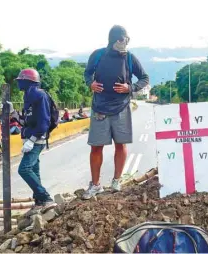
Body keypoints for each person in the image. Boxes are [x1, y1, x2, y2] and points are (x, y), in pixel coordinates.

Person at [82, 25, 149, 199]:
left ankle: (116, 181)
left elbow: (144, 78)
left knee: (121, 144)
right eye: (121, 39)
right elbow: (87, 73)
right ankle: (95, 185)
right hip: (100, 108)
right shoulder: (98, 55)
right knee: (96, 147)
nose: (124, 42)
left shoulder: (129, 58)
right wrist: (90, 83)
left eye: (127, 39)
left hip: (121, 107)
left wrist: (130, 87)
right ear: (113, 40)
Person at [9, 68, 57, 212]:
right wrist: (12, 112)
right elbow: (26, 121)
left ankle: (46, 198)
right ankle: (39, 201)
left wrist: (32, 139)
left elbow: (44, 121)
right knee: (34, 171)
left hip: (37, 139)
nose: (18, 83)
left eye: (20, 80)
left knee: (24, 169)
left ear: (28, 81)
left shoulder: (39, 95)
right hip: (31, 138)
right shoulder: (28, 96)